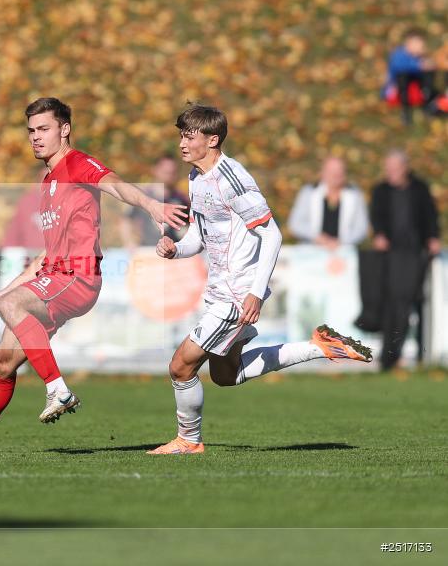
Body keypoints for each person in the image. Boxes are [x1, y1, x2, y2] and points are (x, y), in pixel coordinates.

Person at [0, 97, 188, 454]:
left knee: (12, 307)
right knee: (3, 360)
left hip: (77, 277)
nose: (35, 137)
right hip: (56, 276)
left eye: (44, 129)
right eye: (31, 130)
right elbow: (47, 253)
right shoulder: (48, 182)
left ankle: (57, 389)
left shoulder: (77, 164)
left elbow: (116, 185)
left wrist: (152, 204)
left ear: (65, 130)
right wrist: (9, 288)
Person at [149, 104, 372, 455]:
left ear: (213, 139)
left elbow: (273, 235)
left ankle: (188, 441)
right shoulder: (196, 178)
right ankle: (322, 347)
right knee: (226, 375)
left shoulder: (231, 178)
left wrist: (254, 292)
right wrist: (175, 249)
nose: (182, 143)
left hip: (237, 294)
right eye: (180, 135)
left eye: (189, 136)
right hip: (220, 290)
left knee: (180, 366)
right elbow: (199, 236)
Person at [369, 150, 440, 371]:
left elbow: (430, 216)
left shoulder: (420, 189)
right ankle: (390, 356)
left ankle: (416, 355)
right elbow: (376, 217)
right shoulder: (380, 191)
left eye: (395, 169)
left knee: (412, 303)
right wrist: (379, 234)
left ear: (405, 168)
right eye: (388, 169)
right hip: (391, 256)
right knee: (394, 304)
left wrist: (433, 237)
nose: (391, 173)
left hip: (415, 254)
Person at [287, 156, 368, 249]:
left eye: (339, 170)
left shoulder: (355, 194)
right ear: (322, 173)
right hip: (311, 251)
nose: (336, 174)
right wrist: (318, 238)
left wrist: (341, 241)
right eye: (331, 171)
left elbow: (361, 228)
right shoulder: (309, 192)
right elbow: (295, 224)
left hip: (344, 253)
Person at [120, 154, 190, 249]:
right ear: (155, 170)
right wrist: (129, 242)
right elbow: (126, 220)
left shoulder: (181, 199)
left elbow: (189, 226)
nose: (169, 176)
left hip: (173, 254)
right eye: (166, 172)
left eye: (172, 172)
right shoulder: (141, 196)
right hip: (146, 252)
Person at [383, 29, 435, 125]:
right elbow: (398, 67)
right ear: (408, 43)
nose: (419, 47)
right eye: (417, 44)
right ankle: (405, 112)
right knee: (403, 76)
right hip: (397, 90)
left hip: (415, 88)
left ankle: (427, 103)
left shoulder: (421, 57)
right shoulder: (399, 54)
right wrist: (419, 66)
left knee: (428, 74)